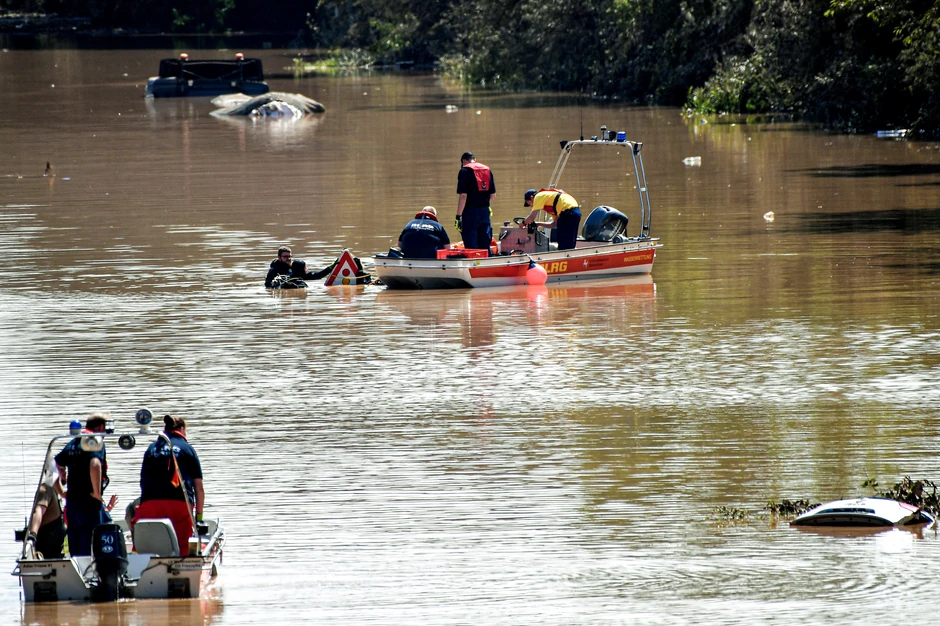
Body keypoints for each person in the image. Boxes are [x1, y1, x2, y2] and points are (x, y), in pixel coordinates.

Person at [133, 414, 204, 557]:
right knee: (183, 547)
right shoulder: (187, 449)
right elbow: (199, 488)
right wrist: (199, 517)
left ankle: (145, 569)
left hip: (150, 503)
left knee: (150, 544)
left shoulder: (152, 448)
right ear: (182, 429)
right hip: (180, 504)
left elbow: (143, 481)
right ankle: (184, 572)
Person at [54, 413, 111, 557]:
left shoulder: (74, 441)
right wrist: (97, 493)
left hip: (73, 502)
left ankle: (76, 573)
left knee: (75, 542)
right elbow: (95, 464)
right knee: (91, 543)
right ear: (101, 427)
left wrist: (61, 491)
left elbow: (53, 464)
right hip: (89, 502)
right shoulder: (95, 441)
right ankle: (90, 576)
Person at [456, 151, 496, 251]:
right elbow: (493, 196)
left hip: (470, 212)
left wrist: (458, 216)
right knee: (485, 242)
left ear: (464, 161)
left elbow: (463, 196)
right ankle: (488, 264)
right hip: (485, 212)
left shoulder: (464, 171)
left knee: (471, 245)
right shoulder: (487, 170)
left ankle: (473, 265)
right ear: (474, 159)